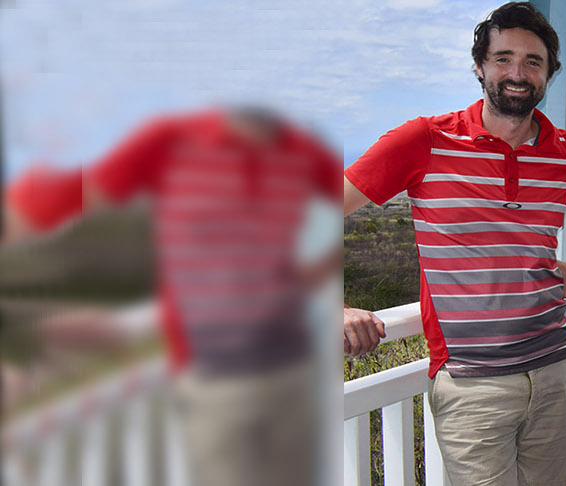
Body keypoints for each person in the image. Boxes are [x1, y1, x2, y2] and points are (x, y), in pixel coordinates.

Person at [341, 2, 566, 484]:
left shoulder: (563, 151)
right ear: (480, 66)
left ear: (550, 74)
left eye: (533, 61)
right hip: (470, 385)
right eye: (503, 58)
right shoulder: (425, 139)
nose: (517, 73)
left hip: (554, 371)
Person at [3, 106, 340, 486]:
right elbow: (65, 197)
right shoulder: (171, 141)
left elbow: (321, 246)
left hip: (296, 376)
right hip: (214, 378)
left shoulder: (309, 153)